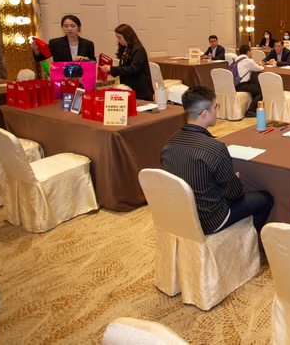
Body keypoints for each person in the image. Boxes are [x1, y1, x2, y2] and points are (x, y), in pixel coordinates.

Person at [160, 86, 273, 236]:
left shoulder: (170, 142)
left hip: (180, 214)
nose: (217, 111)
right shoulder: (214, 149)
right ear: (205, 114)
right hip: (210, 219)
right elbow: (234, 194)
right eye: (215, 107)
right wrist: (236, 181)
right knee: (265, 199)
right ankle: (246, 241)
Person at [100, 24, 153, 101]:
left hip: (140, 91)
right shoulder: (125, 48)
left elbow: (133, 69)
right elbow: (123, 67)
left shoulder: (138, 49)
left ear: (127, 36)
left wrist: (112, 69)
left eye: (119, 37)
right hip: (129, 88)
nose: (118, 40)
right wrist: (110, 70)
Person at [31, 14, 95, 62]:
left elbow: (93, 61)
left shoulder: (88, 44)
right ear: (62, 28)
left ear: (79, 27)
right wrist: (36, 50)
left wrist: (86, 59)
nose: (69, 29)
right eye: (66, 26)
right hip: (61, 74)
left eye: (73, 26)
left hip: (82, 74)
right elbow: (39, 58)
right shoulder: (55, 43)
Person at [232, 45, 264, 116]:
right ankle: (250, 111)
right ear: (248, 52)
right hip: (242, 85)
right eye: (251, 51)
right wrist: (261, 65)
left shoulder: (236, 60)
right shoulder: (248, 61)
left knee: (254, 88)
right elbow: (260, 69)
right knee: (260, 92)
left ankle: (253, 108)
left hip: (234, 84)